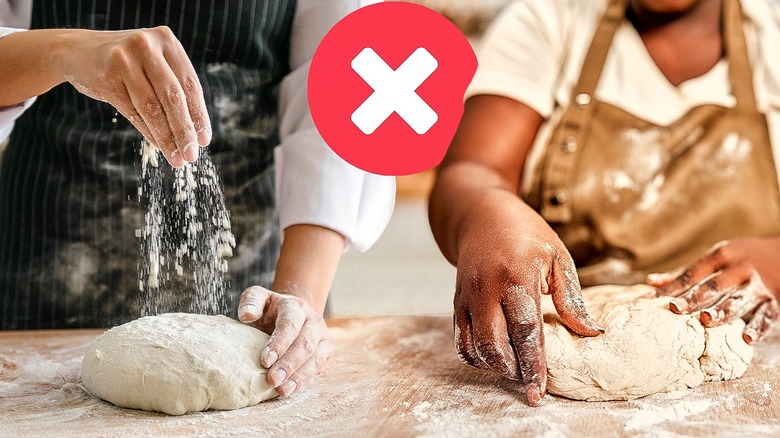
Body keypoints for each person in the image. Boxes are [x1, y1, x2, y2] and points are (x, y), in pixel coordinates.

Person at [0, 0, 395, 398]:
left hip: (254, 276)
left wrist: (300, 293)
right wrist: (62, 50)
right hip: (49, 256)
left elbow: (346, 98)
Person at [429, 0, 780, 406]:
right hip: (569, 327)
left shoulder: (771, 30)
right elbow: (471, 169)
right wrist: (485, 212)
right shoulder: (549, 21)